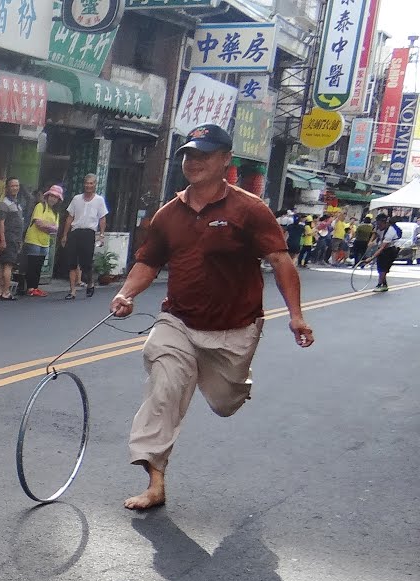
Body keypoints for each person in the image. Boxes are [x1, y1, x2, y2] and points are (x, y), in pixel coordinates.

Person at [109, 123, 314, 511]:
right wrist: (126, 293)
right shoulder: (168, 215)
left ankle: (233, 384)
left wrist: (296, 316)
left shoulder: (250, 210)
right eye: (189, 154)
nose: (194, 161)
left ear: (225, 160)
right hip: (179, 322)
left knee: (225, 401)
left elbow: (280, 261)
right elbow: (148, 263)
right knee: (163, 387)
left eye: (204, 154)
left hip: (235, 327)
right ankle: (155, 482)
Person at [61, 174, 108, 299]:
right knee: (72, 262)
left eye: (91, 183)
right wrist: (65, 234)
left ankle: (90, 283)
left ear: (95, 185)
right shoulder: (76, 199)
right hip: (75, 231)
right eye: (87, 183)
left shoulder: (99, 200)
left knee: (86, 263)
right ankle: (72, 291)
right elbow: (70, 217)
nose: (88, 186)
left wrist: (101, 235)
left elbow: (102, 218)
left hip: (89, 233)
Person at [19, 184, 63, 297]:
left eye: (55, 197)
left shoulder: (55, 213)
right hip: (33, 239)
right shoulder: (40, 206)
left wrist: (47, 226)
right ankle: (30, 288)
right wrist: (49, 226)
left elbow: (56, 228)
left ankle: (35, 287)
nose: (53, 199)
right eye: (51, 196)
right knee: (32, 264)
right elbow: (38, 222)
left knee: (39, 265)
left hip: (45, 241)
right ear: (47, 196)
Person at [0, 177, 24, 300]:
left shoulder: (17, 203)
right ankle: (6, 292)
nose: (15, 188)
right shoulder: (4, 203)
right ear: (7, 188)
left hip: (15, 238)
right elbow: (1, 223)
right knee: (8, 265)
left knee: (2, 265)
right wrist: (3, 240)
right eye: (12, 186)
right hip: (9, 238)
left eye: (17, 185)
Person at [370, 213, 401, 292]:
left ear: (385, 223)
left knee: (383, 268)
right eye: (378, 224)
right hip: (383, 247)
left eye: (380, 224)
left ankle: (379, 284)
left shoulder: (390, 231)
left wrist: (372, 258)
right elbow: (375, 233)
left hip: (391, 250)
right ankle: (384, 285)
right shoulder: (378, 227)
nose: (379, 226)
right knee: (380, 267)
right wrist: (370, 242)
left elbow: (383, 247)